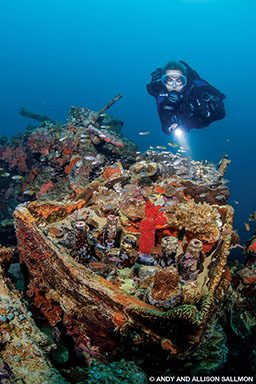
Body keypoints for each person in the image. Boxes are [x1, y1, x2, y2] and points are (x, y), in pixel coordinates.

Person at [146, 60, 226, 135]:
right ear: (164, 82)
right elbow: (166, 129)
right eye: (169, 80)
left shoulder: (197, 86)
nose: (174, 85)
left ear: (185, 80)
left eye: (179, 80)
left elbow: (221, 112)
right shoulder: (162, 96)